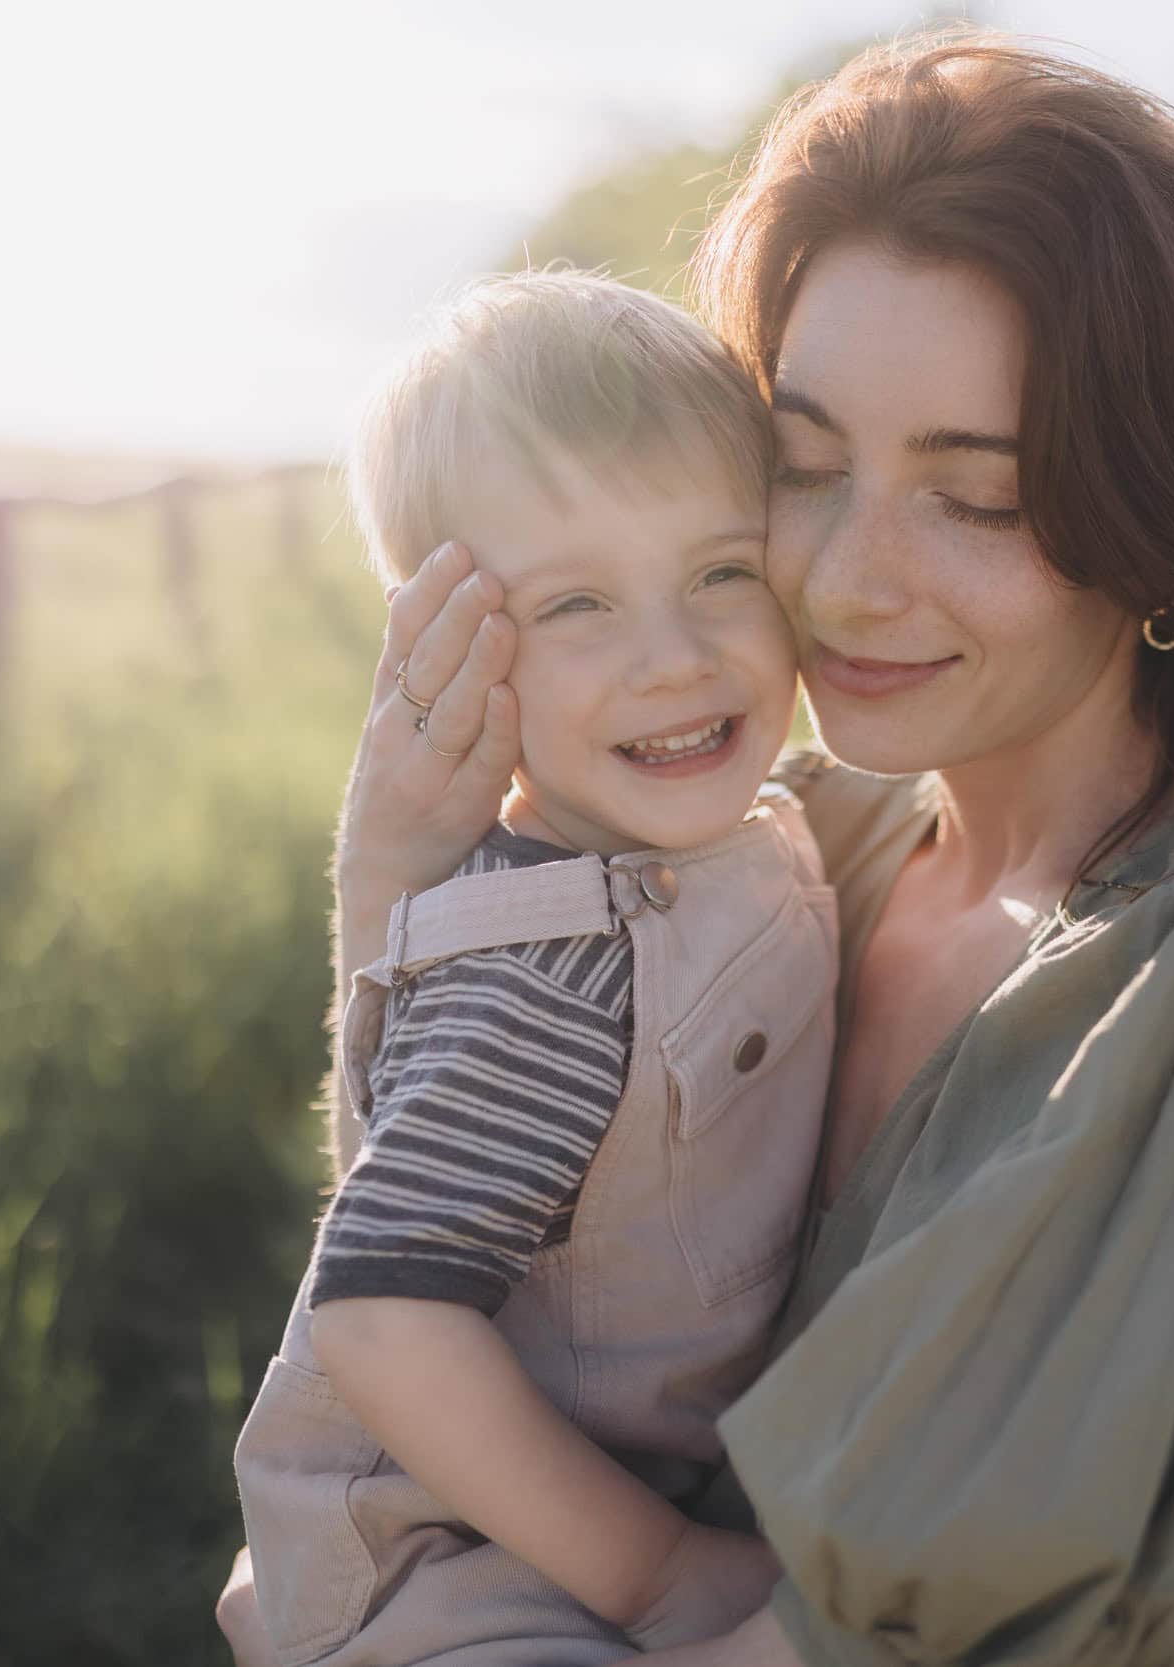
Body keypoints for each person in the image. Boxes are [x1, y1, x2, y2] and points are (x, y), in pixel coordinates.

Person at [223, 30, 1174, 1666]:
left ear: (1170, 517)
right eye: (806, 466)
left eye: (977, 499)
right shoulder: (794, 849)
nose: (846, 580)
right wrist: (394, 888)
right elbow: (436, 1248)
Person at [229, 271, 828, 1667]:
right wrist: (662, 1575)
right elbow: (379, 1320)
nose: (674, 658)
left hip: (593, 1507)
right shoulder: (550, 969)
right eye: (575, 608)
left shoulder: (762, 835)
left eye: (722, 572)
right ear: (458, 650)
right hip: (453, 1571)